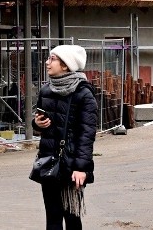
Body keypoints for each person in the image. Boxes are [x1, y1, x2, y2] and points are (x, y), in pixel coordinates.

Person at [32, 44, 98, 230]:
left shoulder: (83, 94)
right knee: (52, 219)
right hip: (49, 162)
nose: (47, 62)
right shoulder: (46, 90)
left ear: (65, 65)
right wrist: (37, 124)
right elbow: (38, 124)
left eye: (52, 59)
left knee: (72, 218)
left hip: (71, 165)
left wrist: (81, 168)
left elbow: (87, 134)